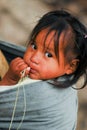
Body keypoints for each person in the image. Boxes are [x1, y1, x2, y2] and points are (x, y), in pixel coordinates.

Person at [0, 9, 87, 130]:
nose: (34, 58)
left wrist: (9, 79)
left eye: (48, 55)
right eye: (34, 46)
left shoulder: (42, 96)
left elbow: (3, 105)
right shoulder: (60, 79)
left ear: (71, 66)